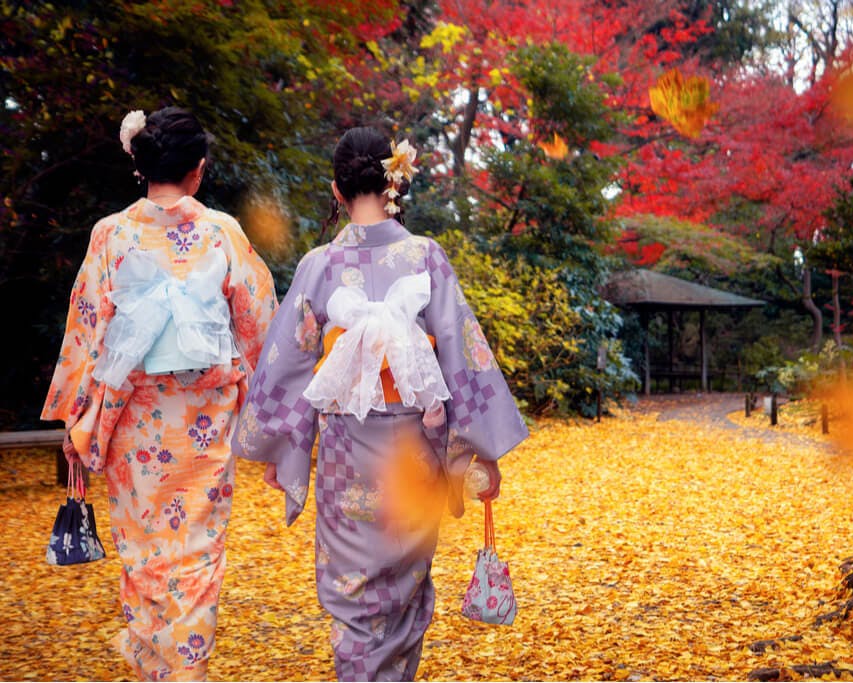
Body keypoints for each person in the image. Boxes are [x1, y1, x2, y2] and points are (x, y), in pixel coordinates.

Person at [231, 126, 529, 680]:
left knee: (354, 596)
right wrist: (474, 449)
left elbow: (288, 366)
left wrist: (283, 447)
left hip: (347, 455)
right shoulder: (427, 258)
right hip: (414, 452)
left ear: (336, 191)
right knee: (406, 596)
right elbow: (463, 359)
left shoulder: (318, 266)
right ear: (394, 183)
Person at [41, 106, 278, 681]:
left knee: (144, 558)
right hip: (202, 429)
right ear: (198, 170)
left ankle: (158, 670)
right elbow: (259, 328)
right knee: (196, 557)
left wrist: (76, 421)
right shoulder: (223, 233)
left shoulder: (111, 234)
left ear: (140, 165)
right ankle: (184, 672)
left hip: (132, 429)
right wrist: (268, 415)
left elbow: (87, 331)